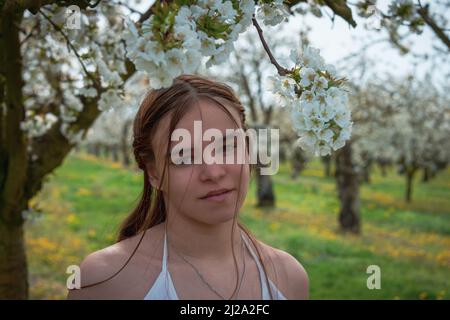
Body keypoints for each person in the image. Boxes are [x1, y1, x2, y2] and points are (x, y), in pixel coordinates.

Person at [67, 74, 308, 300]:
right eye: (183, 156)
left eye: (226, 147)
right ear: (154, 173)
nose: (213, 172)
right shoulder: (104, 280)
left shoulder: (288, 278)